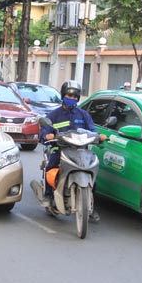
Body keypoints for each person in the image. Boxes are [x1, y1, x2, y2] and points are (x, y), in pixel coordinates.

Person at [40, 80, 107, 222]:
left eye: (75, 97)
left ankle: (91, 206)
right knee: (50, 167)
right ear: (63, 96)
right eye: (69, 96)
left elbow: (92, 130)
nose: (72, 99)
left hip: (81, 150)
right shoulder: (54, 115)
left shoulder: (83, 115)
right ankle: (48, 195)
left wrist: (99, 136)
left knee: (92, 176)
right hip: (61, 149)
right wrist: (47, 135)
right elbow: (44, 130)